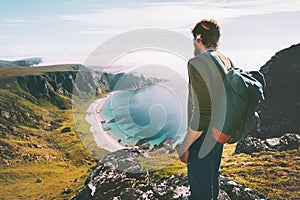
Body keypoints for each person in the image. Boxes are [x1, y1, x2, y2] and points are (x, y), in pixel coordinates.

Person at [177, 19, 232, 200]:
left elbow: (202, 112)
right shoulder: (226, 61)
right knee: (211, 184)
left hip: (202, 139)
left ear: (198, 39)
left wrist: (186, 145)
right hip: (219, 133)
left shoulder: (197, 63)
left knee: (200, 190)